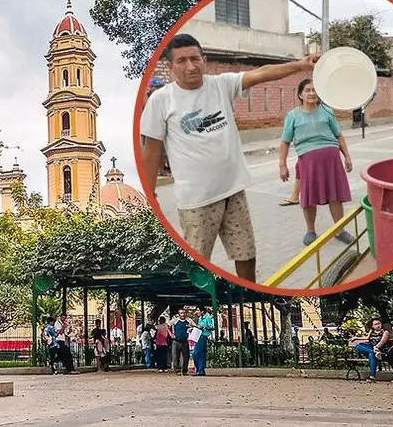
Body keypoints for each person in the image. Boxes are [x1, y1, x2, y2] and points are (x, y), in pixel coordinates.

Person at [140, 33, 321, 282]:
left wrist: (300, 65)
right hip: (197, 201)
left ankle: (248, 294)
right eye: (181, 61)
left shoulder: (221, 84)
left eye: (195, 58)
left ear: (204, 60)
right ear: (170, 67)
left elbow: (263, 72)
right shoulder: (161, 100)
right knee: (196, 263)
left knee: (246, 253)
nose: (190, 66)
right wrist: (151, 198)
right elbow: (150, 153)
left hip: (233, 191)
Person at [278, 78, 355, 246]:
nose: (312, 93)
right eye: (307, 90)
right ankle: (310, 231)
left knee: (335, 195)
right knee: (309, 196)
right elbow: (285, 142)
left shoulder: (327, 111)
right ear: (300, 94)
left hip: (332, 160)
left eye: (314, 90)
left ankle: (340, 229)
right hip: (308, 162)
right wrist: (282, 165)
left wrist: (347, 156)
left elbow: (338, 135)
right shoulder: (293, 116)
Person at [348, 318, 391, 383]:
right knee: (358, 346)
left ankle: (372, 376)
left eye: (379, 323)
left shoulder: (385, 332)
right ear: (373, 326)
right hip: (372, 349)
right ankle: (375, 353)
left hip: (380, 349)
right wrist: (356, 338)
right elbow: (366, 338)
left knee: (371, 354)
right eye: (376, 324)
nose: (378, 325)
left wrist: (376, 347)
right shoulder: (371, 331)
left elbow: (382, 341)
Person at [190, 305, 215, 376]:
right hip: (198, 335)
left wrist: (204, 327)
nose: (197, 312)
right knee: (200, 354)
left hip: (203, 336)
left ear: (202, 311)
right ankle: (200, 370)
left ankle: (199, 369)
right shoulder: (200, 318)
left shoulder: (207, 317)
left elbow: (212, 327)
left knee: (195, 353)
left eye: (198, 310)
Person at [168, 308, 191, 375]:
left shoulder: (189, 320)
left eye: (184, 313)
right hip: (176, 341)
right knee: (175, 356)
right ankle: (177, 370)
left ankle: (184, 371)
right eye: (181, 313)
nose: (183, 314)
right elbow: (167, 325)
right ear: (179, 314)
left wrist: (191, 329)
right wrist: (170, 334)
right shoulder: (175, 320)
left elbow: (195, 326)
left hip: (185, 341)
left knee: (186, 357)